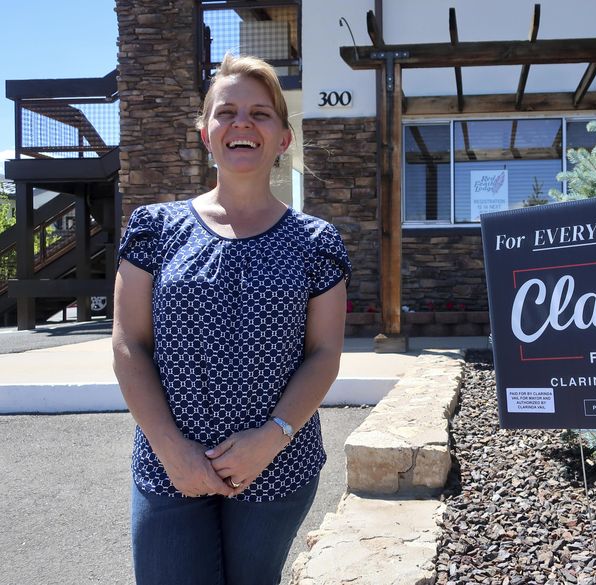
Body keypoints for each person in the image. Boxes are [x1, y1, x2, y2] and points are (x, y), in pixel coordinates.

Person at [112, 53, 350, 585]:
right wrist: (172, 450)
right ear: (206, 133)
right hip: (168, 467)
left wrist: (271, 437)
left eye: (261, 113)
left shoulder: (316, 244)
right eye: (226, 112)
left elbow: (324, 354)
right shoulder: (154, 229)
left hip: (276, 467)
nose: (242, 123)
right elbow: (129, 343)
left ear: (284, 139)